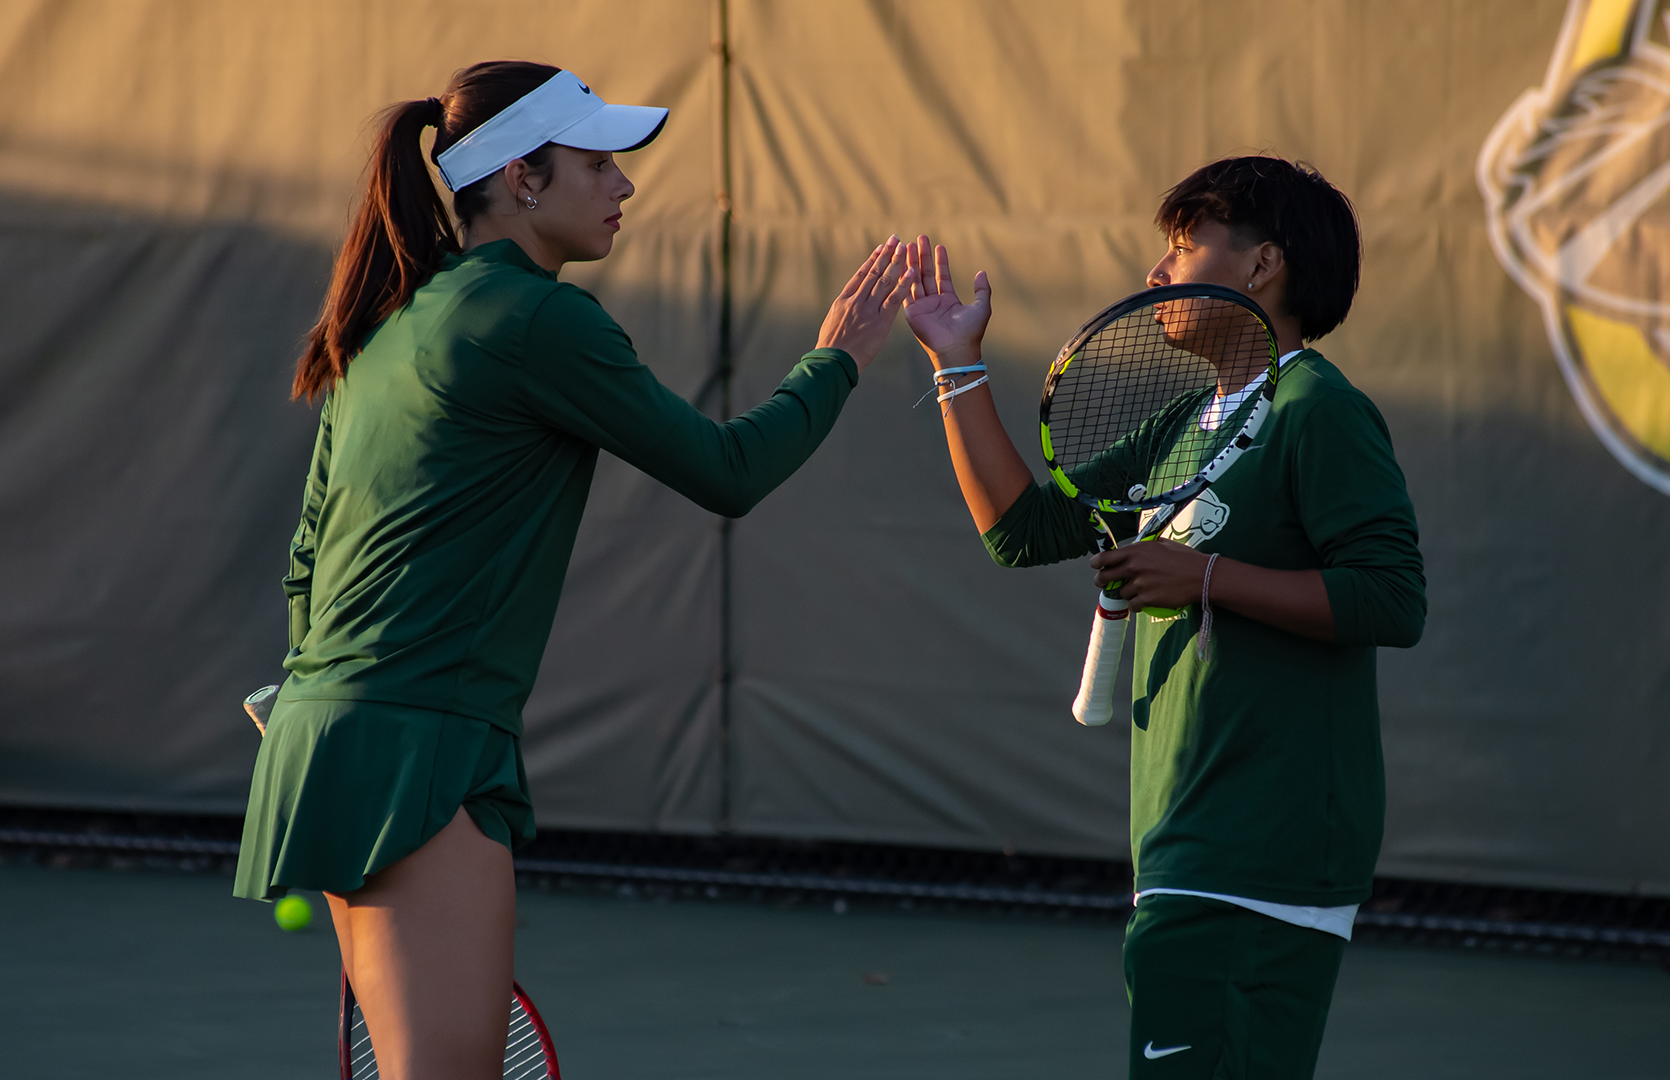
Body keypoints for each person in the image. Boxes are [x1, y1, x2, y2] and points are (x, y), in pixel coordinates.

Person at [234, 60, 914, 1079]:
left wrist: (331, 698)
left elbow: (305, 563)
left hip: (328, 736)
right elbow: (727, 472)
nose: (625, 187)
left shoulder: (381, 327)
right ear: (523, 179)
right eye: (599, 164)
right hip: (421, 748)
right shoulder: (539, 320)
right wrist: (839, 357)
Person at [901, 156, 1425, 1078]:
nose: (1156, 274)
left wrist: (1207, 576)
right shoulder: (1191, 420)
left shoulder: (1319, 409)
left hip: (1266, 850)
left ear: (1262, 266)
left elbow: (1391, 597)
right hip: (1182, 837)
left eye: (1182, 247)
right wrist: (959, 361)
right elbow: (1022, 533)